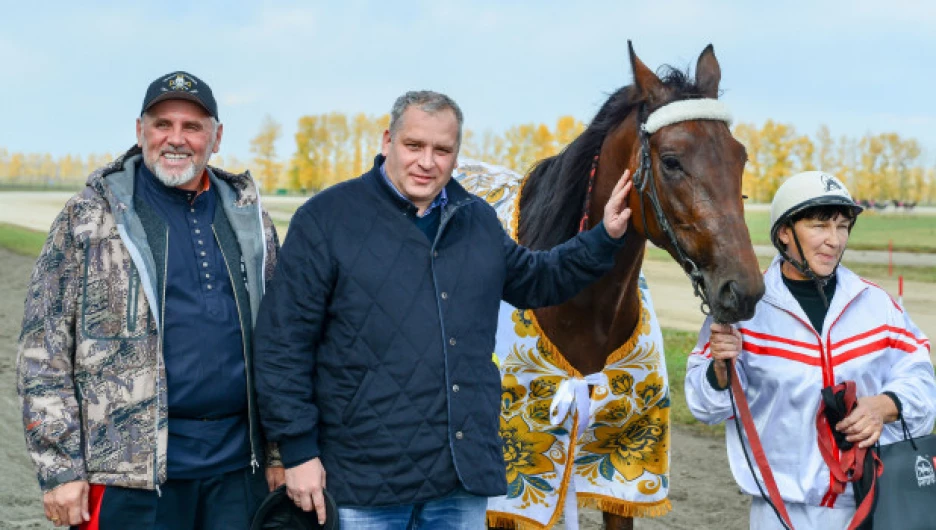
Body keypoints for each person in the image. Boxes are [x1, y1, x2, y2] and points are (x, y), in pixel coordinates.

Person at [253, 90, 634, 528]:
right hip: (363, 485)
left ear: (456, 155)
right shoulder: (325, 219)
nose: (427, 162)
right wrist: (298, 452)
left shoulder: (476, 219)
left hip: (458, 481)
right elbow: (283, 344)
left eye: (442, 150)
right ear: (387, 141)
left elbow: (538, 279)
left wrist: (603, 237)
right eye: (414, 146)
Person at [16, 71, 284, 529]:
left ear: (216, 138)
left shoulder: (250, 219)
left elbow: (283, 342)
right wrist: (59, 468)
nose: (175, 138)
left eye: (192, 127)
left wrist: (280, 450)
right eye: (162, 124)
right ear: (140, 131)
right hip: (129, 478)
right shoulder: (90, 217)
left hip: (240, 472)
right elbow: (43, 349)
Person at [685, 170, 936, 529]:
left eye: (842, 226)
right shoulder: (743, 310)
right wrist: (720, 371)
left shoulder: (878, 305)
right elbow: (703, 406)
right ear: (785, 232)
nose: (834, 240)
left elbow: (922, 382)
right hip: (780, 512)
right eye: (819, 226)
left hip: (872, 506)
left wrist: (886, 405)